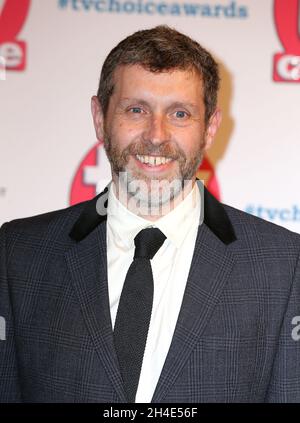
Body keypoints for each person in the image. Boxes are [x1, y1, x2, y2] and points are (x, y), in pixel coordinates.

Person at [1, 25, 300, 403]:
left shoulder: (284, 265)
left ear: (209, 129)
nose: (156, 135)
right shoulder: (18, 254)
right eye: (136, 109)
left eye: (179, 113)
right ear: (99, 117)